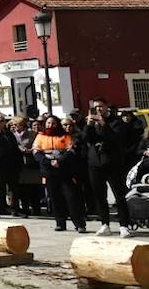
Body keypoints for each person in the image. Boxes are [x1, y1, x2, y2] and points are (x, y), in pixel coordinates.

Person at [81, 100, 132, 237]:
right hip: (95, 163)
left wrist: (103, 123)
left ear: (106, 107)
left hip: (112, 163)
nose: (98, 109)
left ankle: (124, 225)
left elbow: (115, 138)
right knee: (99, 195)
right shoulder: (92, 123)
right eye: (95, 107)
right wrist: (89, 124)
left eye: (101, 107)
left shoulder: (116, 122)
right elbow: (86, 138)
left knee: (119, 195)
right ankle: (105, 224)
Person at [34, 114, 87, 233]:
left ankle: (79, 223)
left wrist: (60, 161)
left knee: (71, 197)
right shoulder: (40, 136)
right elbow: (37, 153)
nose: (50, 125)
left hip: (64, 170)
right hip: (49, 170)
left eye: (53, 123)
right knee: (54, 197)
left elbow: (71, 151)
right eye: (48, 123)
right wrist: (48, 161)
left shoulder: (65, 136)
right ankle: (60, 222)